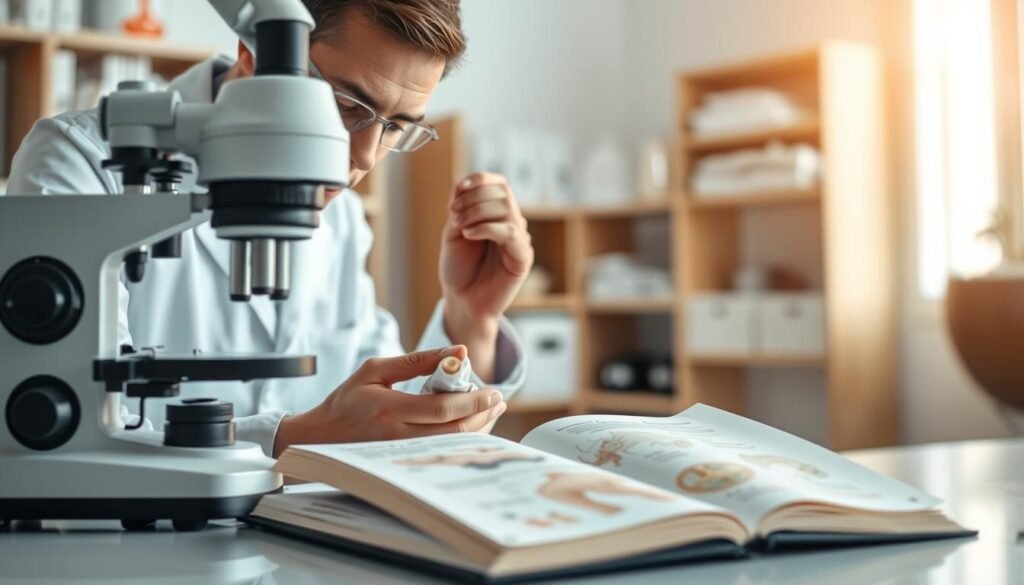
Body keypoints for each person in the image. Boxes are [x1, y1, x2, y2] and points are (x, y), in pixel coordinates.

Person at [5, 0, 534, 458]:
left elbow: (383, 411)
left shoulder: (341, 216)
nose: (365, 158)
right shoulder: (80, 161)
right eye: (347, 106)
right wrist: (291, 440)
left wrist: (472, 317)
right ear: (252, 53)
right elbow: (55, 431)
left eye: (396, 127)